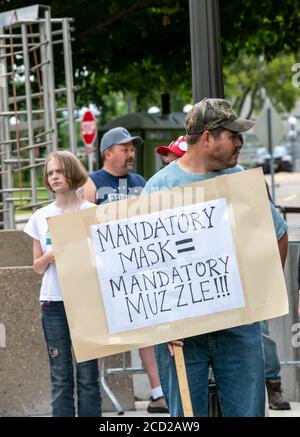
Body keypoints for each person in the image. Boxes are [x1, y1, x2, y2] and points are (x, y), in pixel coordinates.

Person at [142, 97, 288, 417]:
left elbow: (278, 234)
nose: (240, 142)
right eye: (233, 135)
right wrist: (160, 322)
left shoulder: (242, 181)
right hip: (180, 334)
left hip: (238, 326)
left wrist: (263, 294)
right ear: (207, 137)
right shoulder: (158, 189)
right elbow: (141, 265)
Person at [84, 126, 168, 414]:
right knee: (99, 335)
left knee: (147, 332)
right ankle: (89, 393)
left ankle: (158, 394)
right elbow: (82, 227)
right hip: (105, 275)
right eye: (125, 149)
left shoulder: (140, 182)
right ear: (108, 153)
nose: (131, 153)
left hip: (137, 274)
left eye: (132, 148)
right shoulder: (92, 183)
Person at [24, 151, 102, 417]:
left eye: (58, 171)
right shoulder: (40, 216)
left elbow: (103, 258)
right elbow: (36, 266)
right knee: (60, 377)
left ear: (71, 172)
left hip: (87, 301)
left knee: (89, 376)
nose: (54, 177)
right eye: (50, 173)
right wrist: (51, 254)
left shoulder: (92, 212)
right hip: (53, 302)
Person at [237, 134, 291, 411]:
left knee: (262, 333)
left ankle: (274, 383)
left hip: (253, 275)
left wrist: (270, 277)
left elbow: (279, 230)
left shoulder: (246, 184)